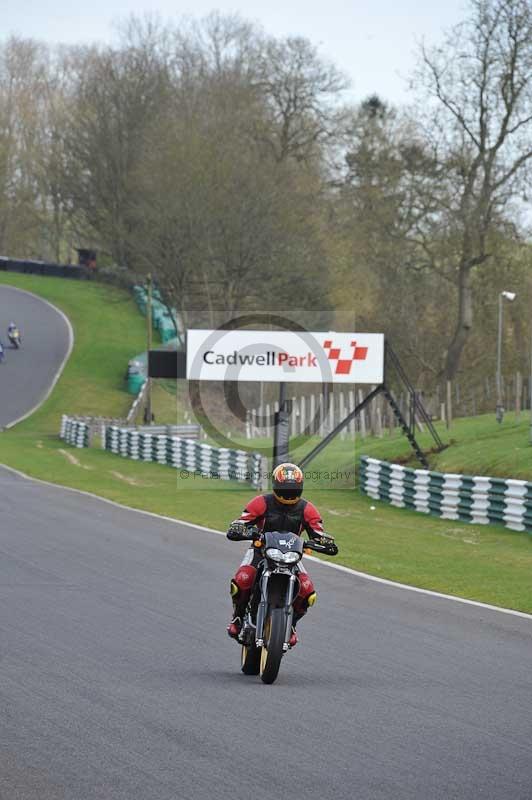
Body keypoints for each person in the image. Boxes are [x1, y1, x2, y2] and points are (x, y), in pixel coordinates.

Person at [226, 462, 336, 648]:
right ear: (276, 486)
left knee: (308, 591)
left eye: (292, 489)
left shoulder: (307, 509)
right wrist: (240, 528)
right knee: (243, 577)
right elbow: (242, 520)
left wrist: (324, 542)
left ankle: (291, 625)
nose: (288, 493)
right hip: (261, 551)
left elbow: (318, 531)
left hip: (292, 556)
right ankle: (238, 617)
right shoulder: (261, 502)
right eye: (285, 488)